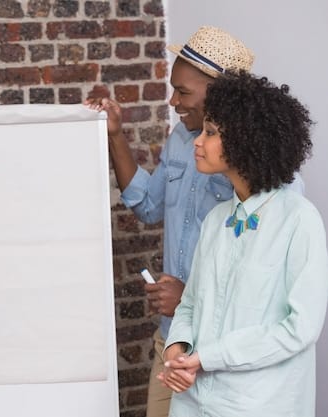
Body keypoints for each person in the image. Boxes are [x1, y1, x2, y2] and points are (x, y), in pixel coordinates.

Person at [86, 26, 260, 417]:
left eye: (183, 92)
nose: (173, 100)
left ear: (220, 94)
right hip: (171, 341)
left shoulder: (263, 166)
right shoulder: (182, 138)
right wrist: (115, 136)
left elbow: (258, 278)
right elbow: (147, 206)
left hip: (219, 353)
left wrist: (189, 298)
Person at [158, 71, 328, 417]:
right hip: (193, 401)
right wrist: (177, 349)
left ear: (247, 140)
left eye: (211, 132)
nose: (197, 141)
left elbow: (301, 327)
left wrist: (208, 357)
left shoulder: (298, 219)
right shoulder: (217, 221)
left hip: (259, 404)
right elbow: (190, 305)